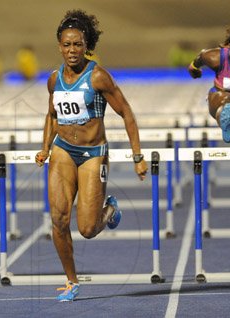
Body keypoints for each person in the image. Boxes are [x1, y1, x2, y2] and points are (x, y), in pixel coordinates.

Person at [35, 10, 148, 302]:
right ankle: (72, 281)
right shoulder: (53, 79)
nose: (72, 51)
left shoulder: (98, 76)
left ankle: (108, 210)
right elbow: (51, 114)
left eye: (77, 45)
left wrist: (137, 157)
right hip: (62, 150)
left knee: (86, 229)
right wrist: (45, 147)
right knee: (59, 220)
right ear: (59, 46)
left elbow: (126, 113)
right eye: (67, 45)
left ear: (86, 45)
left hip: (92, 154)